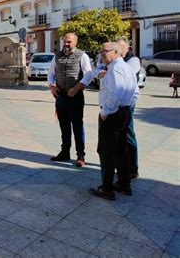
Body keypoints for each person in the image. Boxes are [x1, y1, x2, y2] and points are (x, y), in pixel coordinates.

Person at [90, 42, 139, 201]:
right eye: (101, 51)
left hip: (113, 113)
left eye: (105, 51)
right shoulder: (124, 67)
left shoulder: (116, 68)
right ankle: (124, 184)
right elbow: (135, 92)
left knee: (107, 151)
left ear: (116, 52)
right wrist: (128, 108)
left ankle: (107, 188)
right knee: (121, 150)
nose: (101, 54)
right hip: (124, 112)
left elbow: (116, 93)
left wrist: (105, 112)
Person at [48, 33, 93, 167]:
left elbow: (89, 74)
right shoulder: (57, 56)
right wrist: (51, 86)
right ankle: (65, 152)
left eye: (69, 42)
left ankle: (80, 155)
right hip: (61, 96)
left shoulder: (82, 55)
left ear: (75, 42)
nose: (66, 44)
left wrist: (77, 87)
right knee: (64, 125)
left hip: (76, 96)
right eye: (65, 42)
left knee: (77, 125)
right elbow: (51, 73)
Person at [116, 37, 141, 179]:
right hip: (116, 104)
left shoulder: (133, 60)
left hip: (127, 104)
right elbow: (98, 70)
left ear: (127, 48)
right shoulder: (117, 60)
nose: (118, 51)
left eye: (121, 48)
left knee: (128, 134)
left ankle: (133, 167)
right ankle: (121, 164)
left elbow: (124, 75)